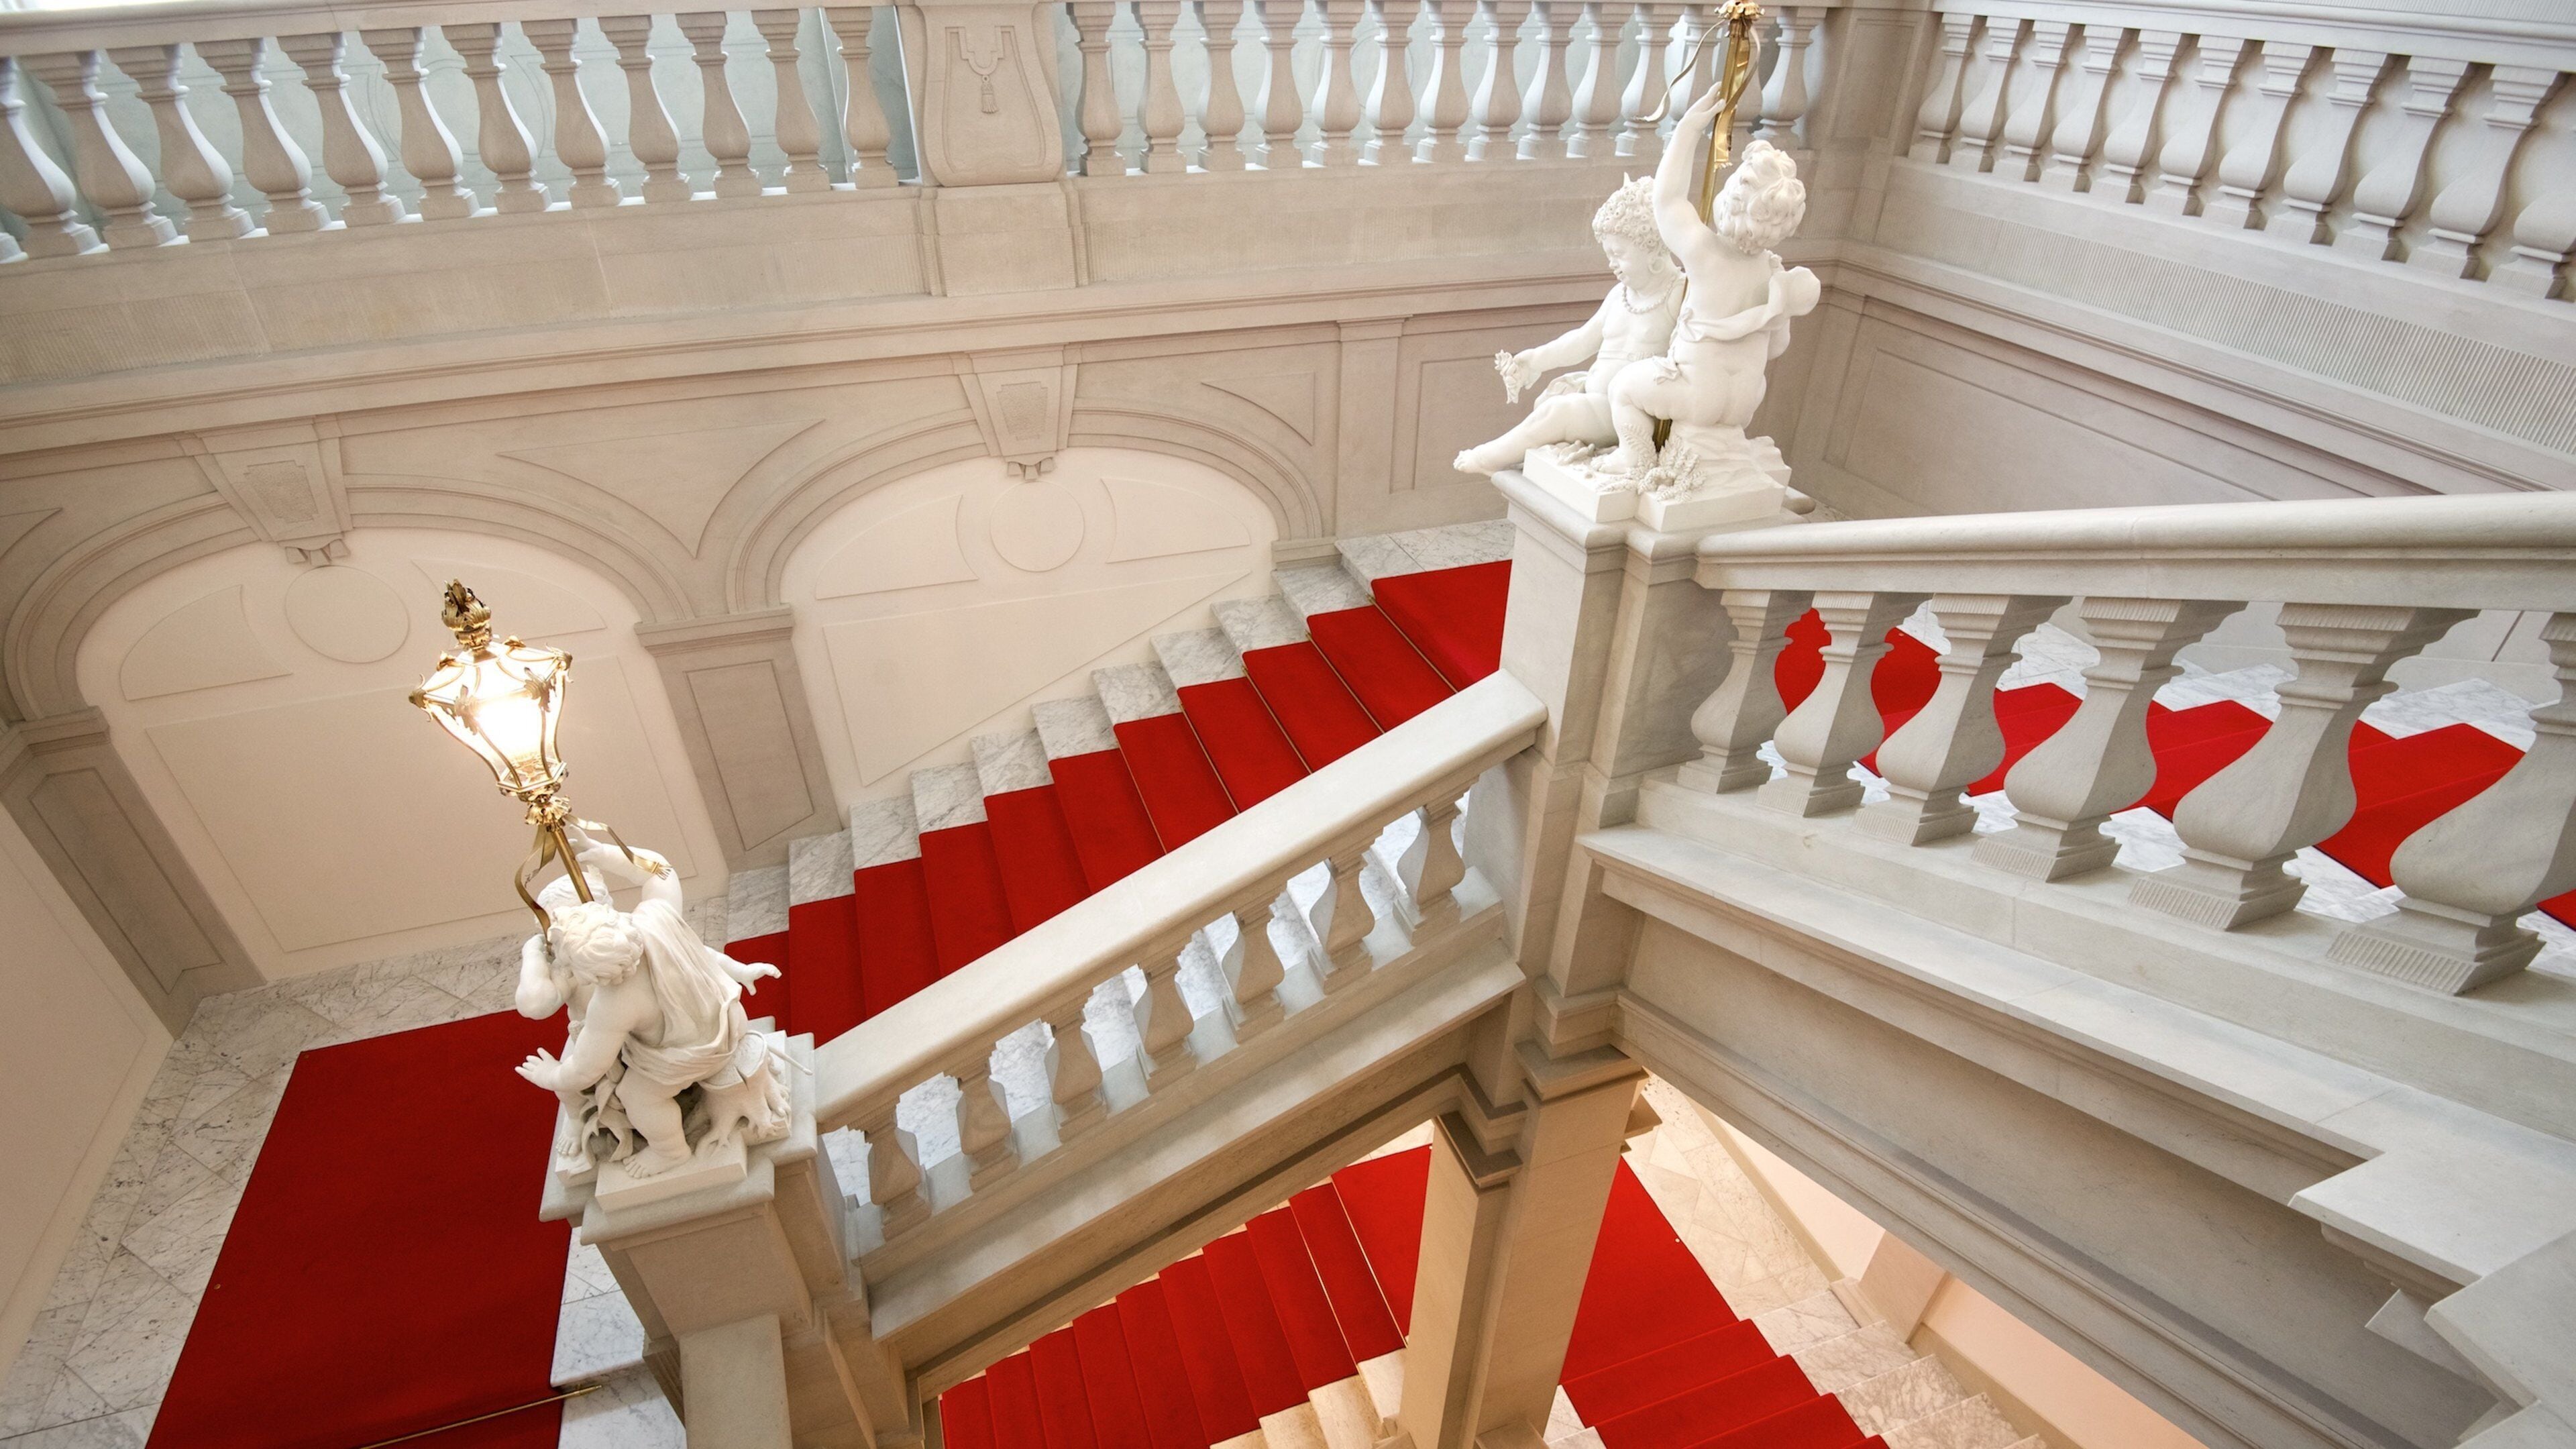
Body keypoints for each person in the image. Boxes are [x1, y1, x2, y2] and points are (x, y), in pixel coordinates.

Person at [1603, 85, 1819, 479]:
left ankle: (1633, 460)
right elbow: (1777, 346)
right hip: (1743, 403)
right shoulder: (1772, 271)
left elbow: (1667, 200)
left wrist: (1688, 130)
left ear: (1731, 200)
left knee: (1623, 389)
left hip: (1698, 396)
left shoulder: (1706, 253)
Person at [1453, 174, 1684, 476]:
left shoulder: (1679, 293)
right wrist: (1534, 360)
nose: (1611, 263)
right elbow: (1580, 341)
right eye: (1608, 254)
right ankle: (1503, 454)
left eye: (1619, 254)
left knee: (1558, 411)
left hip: (1628, 414)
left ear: (1653, 249)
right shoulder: (1621, 295)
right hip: (1594, 397)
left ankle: (1489, 458)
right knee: (1555, 402)